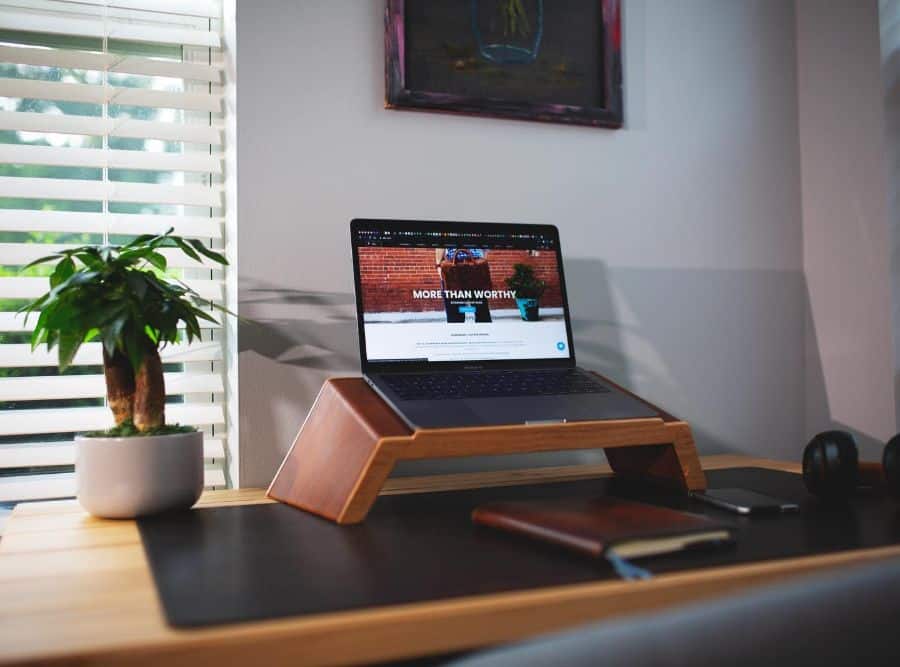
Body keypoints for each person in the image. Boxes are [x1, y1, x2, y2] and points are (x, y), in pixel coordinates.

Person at [435, 247, 493, 323]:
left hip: (458, 267)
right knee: (479, 308)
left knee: (457, 309)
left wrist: (438, 265)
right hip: (460, 267)